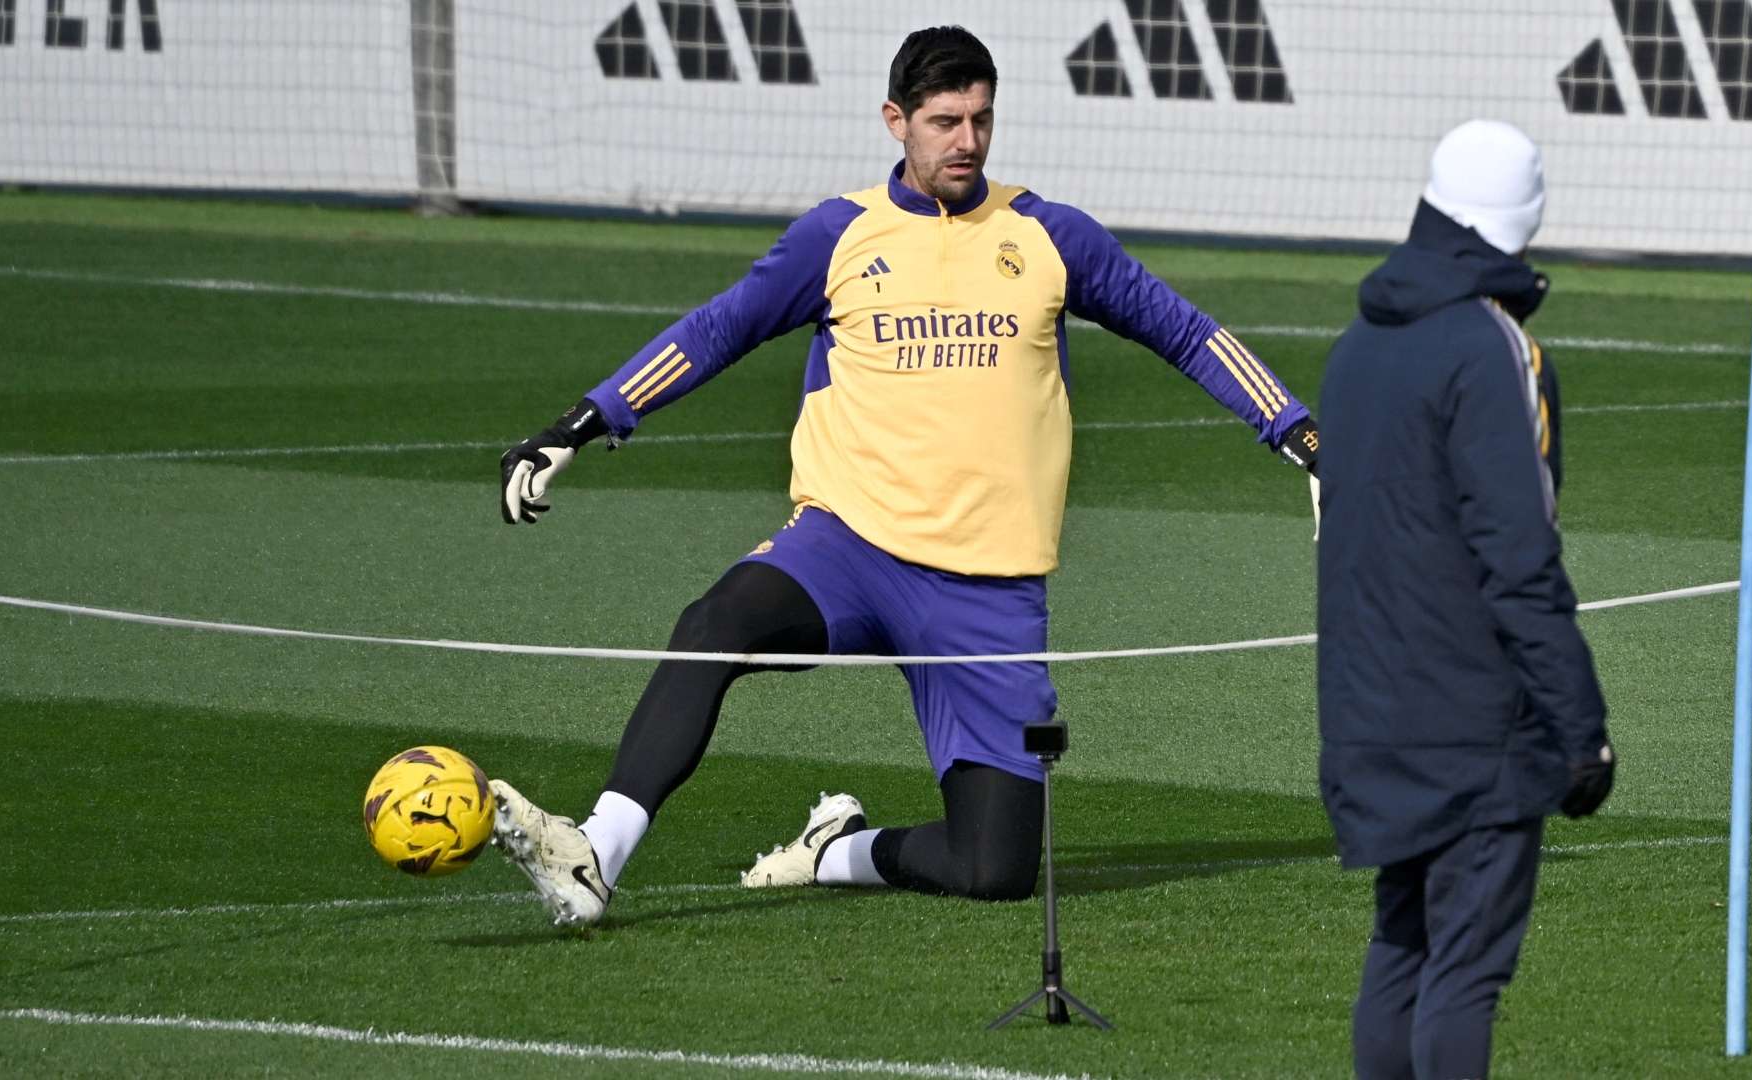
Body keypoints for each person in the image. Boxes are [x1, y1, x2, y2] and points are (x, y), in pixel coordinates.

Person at [487, 25, 1320, 927]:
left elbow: (1185, 330)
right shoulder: (838, 235)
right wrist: (584, 422)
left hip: (988, 588)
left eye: (981, 119)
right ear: (897, 121)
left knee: (994, 868)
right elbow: (718, 329)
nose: (966, 141)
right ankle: (594, 853)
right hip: (849, 543)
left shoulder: (1046, 234)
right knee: (716, 623)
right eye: (944, 120)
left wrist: (1302, 435)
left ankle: (833, 851)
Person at [1315, 119, 1618, 1079]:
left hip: (1371, 715)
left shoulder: (1357, 345)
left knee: (1400, 952)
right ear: (1525, 219)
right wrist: (1581, 731)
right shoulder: (1494, 351)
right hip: (1474, 727)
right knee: (1463, 978)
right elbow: (1521, 559)